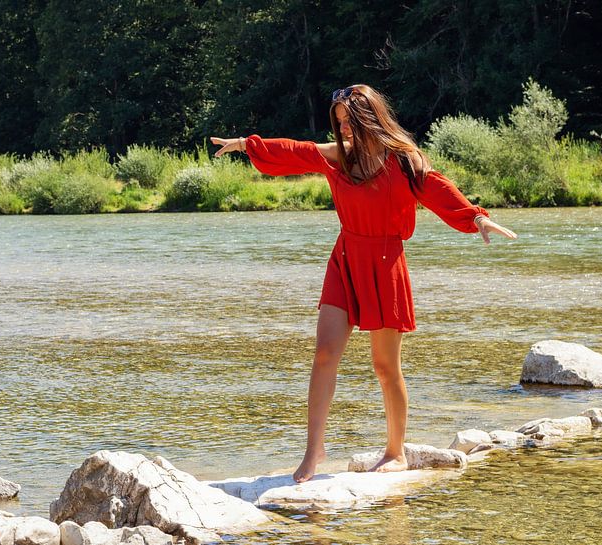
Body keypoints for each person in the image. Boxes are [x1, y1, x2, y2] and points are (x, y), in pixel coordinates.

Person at [210, 84, 517, 483]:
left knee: (385, 365)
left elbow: (439, 189)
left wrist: (475, 218)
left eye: (350, 122)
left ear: (370, 118)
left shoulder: (406, 161)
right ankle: (313, 450)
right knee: (324, 355)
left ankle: (396, 451)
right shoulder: (338, 157)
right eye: (339, 124)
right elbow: (294, 151)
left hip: (386, 263)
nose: (345, 131)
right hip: (345, 259)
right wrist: (245, 144)